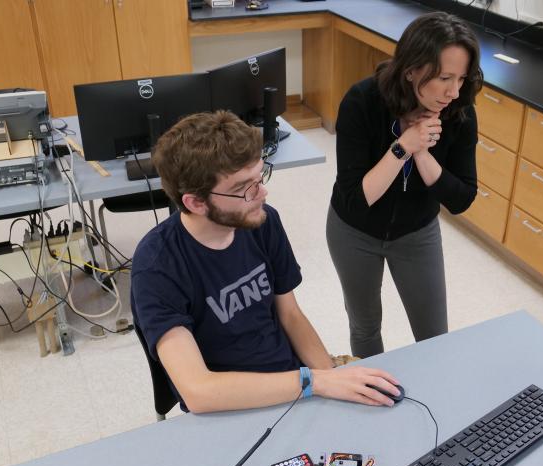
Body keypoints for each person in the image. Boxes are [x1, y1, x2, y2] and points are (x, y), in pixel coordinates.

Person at [130, 111, 400, 414]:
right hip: (230, 406)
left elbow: (290, 315)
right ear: (196, 202)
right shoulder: (157, 266)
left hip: (293, 381)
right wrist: (315, 382)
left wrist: (330, 378)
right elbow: (198, 391)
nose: (262, 192)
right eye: (243, 188)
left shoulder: (262, 221)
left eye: (260, 177)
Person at [327, 12, 483, 358]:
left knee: (434, 337)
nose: (453, 91)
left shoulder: (460, 112)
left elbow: (461, 198)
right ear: (412, 69)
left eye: (461, 79)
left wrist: (424, 153)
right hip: (354, 232)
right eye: (444, 77)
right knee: (365, 328)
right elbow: (356, 199)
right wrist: (404, 146)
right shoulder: (362, 101)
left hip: (417, 232)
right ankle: (375, 397)